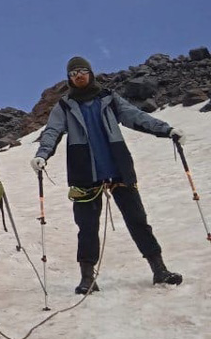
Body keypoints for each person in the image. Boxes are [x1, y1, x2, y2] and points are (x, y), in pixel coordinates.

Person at [31, 56, 185, 294]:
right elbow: (52, 131)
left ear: (90, 73)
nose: (78, 76)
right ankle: (87, 278)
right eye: (73, 74)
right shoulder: (64, 105)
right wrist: (43, 154)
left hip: (119, 169)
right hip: (84, 174)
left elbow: (135, 117)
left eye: (82, 71)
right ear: (69, 79)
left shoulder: (109, 98)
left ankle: (159, 269)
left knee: (138, 220)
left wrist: (166, 130)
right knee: (87, 227)